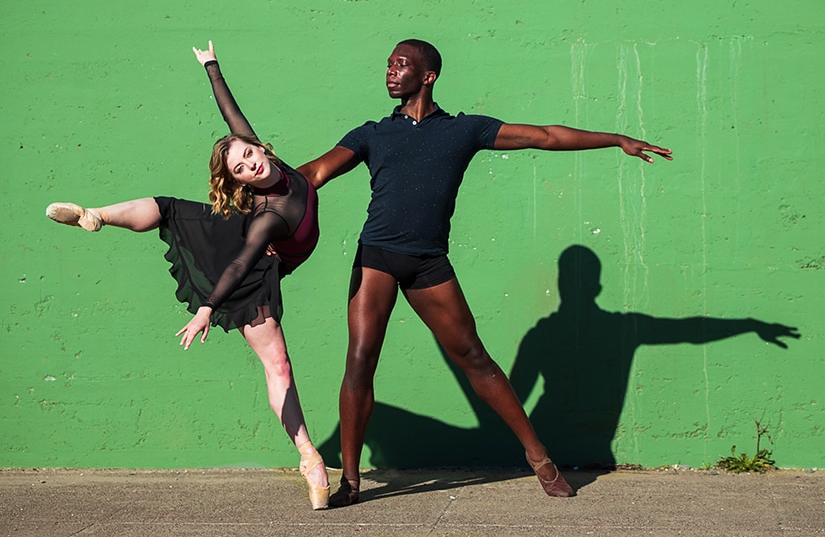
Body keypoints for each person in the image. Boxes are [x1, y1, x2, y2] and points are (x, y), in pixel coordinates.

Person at [298, 39, 673, 505]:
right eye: (389, 65)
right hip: (376, 256)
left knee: (474, 357)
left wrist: (615, 139)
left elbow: (544, 136)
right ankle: (351, 481)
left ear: (428, 75)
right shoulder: (372, 133)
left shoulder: (463, 130)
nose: (391, 71)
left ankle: (540, 459)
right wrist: (260, 187)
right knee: (359, 359)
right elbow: (313, 173)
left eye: (402, 64)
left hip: (427, 262)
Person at [45, 42, 330, 510]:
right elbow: (241, 264)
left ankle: (308, 460)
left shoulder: (268, 161)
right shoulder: (268, 216)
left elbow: (232, 113)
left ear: (260, 147)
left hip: (247, 244)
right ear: (239, 182)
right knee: (277, 364)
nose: (250, 164)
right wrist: (206, 308)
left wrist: (211, 66)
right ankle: (310, 459)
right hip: (251, 263)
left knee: (277, 365)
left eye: (249, 154)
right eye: (240, 169)